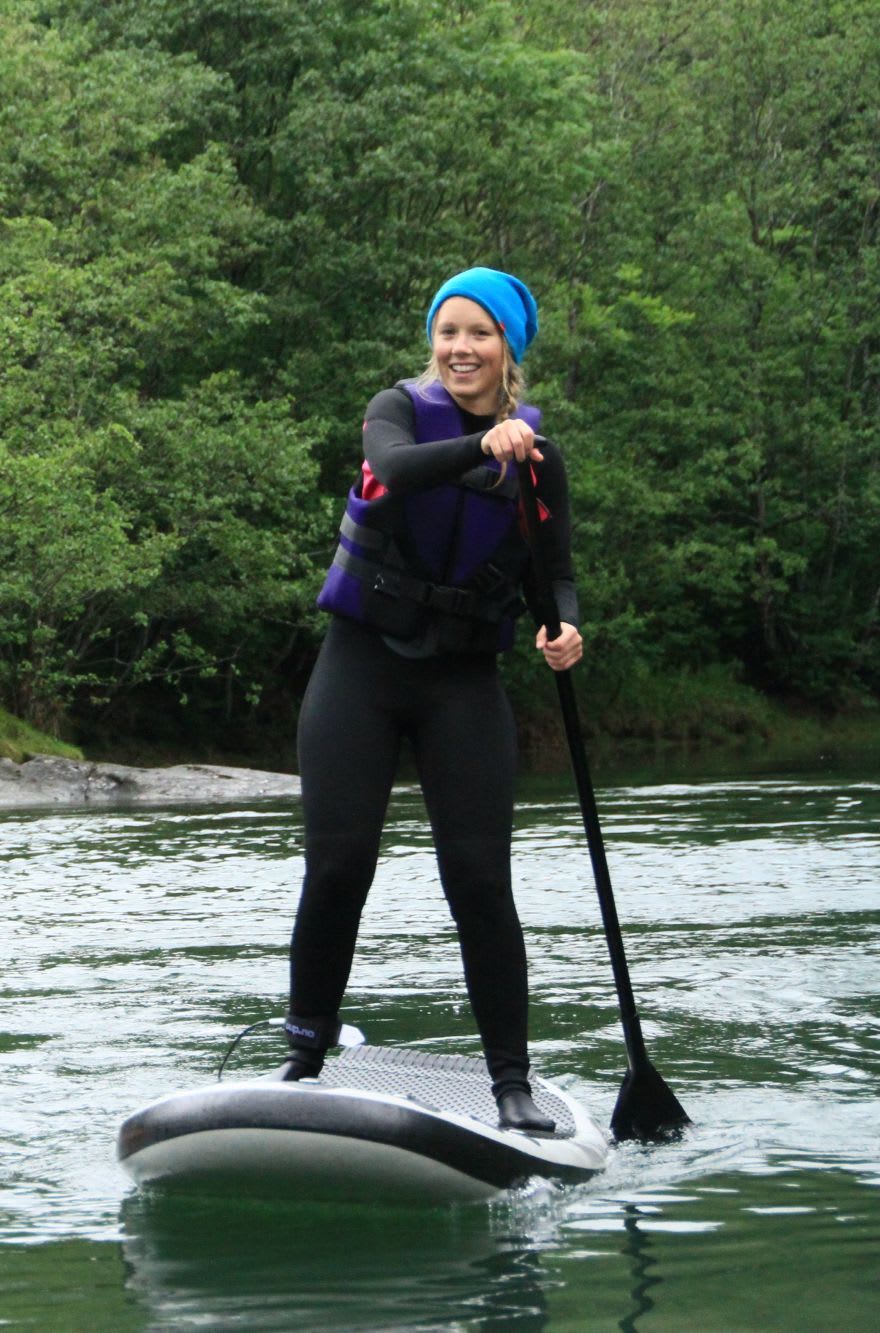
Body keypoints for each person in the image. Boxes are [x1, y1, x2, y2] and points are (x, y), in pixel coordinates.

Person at [283, 267, 582, 1133]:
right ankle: (303, 1054)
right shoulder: (399, 411)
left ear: (507, 351)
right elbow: (391, 468)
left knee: (481, 884)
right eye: (448, 332)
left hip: (462, 683)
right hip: (361, 670)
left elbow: (552, 573)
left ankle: (511, 1083)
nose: (460, 348)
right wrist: (481, 445)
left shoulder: (539, 462)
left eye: (480, 334)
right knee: (339, 867)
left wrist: (563, 626)